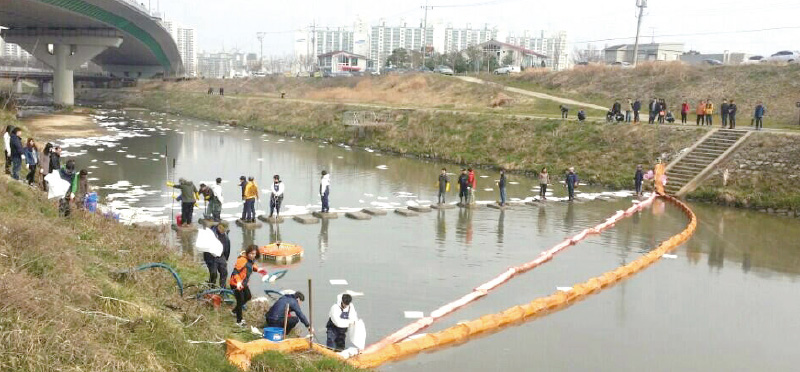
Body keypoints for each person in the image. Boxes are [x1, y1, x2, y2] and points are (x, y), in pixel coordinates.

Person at [229, 245, 268, 326]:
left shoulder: (250, 260)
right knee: (240, 300)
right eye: (251, 253)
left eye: (254, 254)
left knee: (248, 297)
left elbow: (250, 266)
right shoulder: (242, 260)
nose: (252, 255)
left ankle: (234, 311)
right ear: (247, 252)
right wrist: (238, 282)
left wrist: (258, 269)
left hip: (244, 283)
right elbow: (235, 272)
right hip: (236, 283)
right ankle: (239, 321)